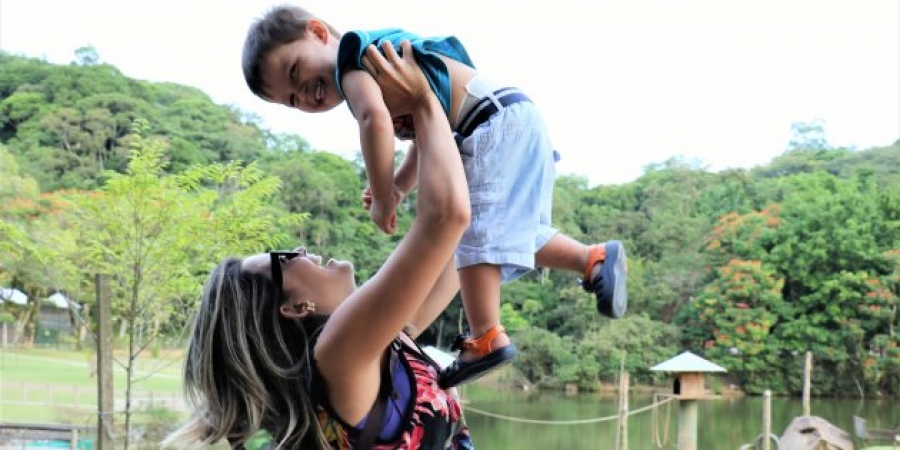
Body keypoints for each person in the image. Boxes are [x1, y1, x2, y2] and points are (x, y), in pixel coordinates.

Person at [241, 5, 628, 389]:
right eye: (292, 100)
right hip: (509, 116)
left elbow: (373, 121)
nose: (304, 93)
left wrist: (382, 196)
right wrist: (398, 186)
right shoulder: (383, 65)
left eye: (295, 72)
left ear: (318, 32)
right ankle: (590, 259)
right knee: (508, 231)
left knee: (477, 235)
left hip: (488, 124)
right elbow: (424, 140)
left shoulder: (352, 64)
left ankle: (485, 335)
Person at [164, 43, 474, 449]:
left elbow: (465, 245)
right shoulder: (339, 353)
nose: (301, 249)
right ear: (293, 307)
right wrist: (424, 98)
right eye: (286, 258)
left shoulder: (382, 342)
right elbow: (446, 218)